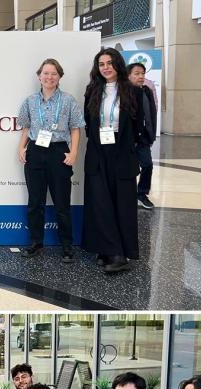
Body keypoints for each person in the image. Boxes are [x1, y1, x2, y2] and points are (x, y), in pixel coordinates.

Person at [81, 47, 143, 273]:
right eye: (101, 64)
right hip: (98, 152)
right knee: (100, 202)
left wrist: (130, 147)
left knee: (123, 203)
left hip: (122, 152)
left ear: (117, 64)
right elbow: (89, 122)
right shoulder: (93, 90)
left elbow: (140, 126)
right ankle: (107, 249)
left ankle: (119, 253)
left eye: (109, 63)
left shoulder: (133, 91)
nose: (105, 67)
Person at [17, 58, 85, 263]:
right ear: (39, 76)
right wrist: (21, 147)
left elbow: (75, 128)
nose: (49, 77)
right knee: (35, 202)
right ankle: (36, 243)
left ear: (59, 77)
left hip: (58, 152)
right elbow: (26, 127)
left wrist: (73, 152)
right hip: (36, 151)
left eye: (53, 73)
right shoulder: (29, 101)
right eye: (46, 73)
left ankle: (67, 246)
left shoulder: (68, 100)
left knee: (62, 203)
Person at [127, 62, 157, 210]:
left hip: (144, 136)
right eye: (136, 73)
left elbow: (151, 114)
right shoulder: (125, 93)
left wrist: (151, 135)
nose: (140, 76)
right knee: (129, 169)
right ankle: (127, 195)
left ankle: (142, 193)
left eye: (142, 73)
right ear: (128, 75)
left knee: (147, 165)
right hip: (128, 138)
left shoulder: (147, 91)